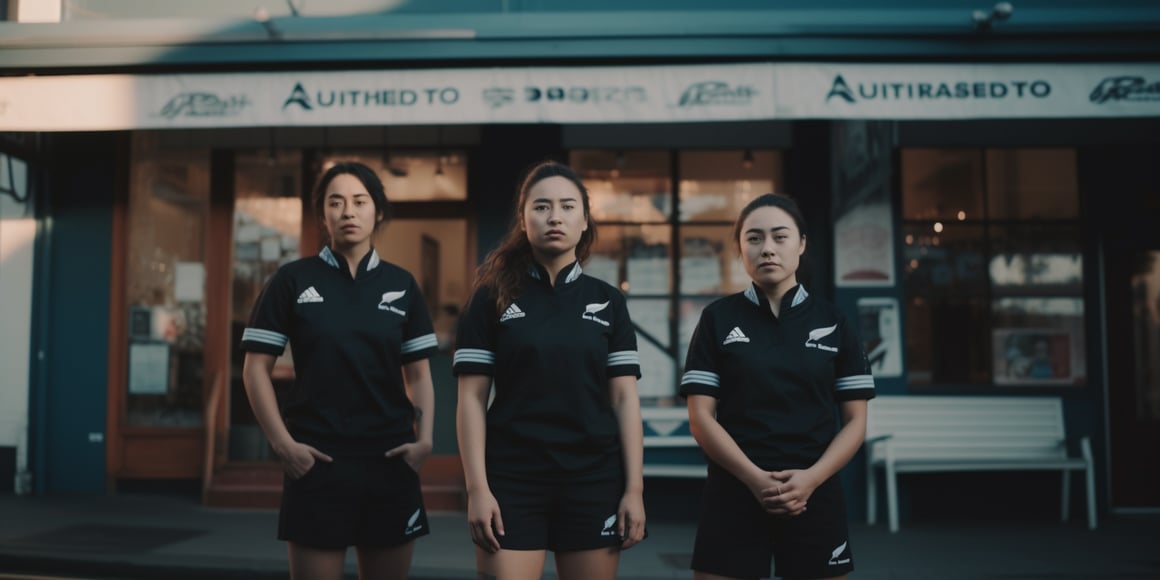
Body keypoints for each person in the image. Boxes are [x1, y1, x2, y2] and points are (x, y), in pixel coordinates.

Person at [240, 161, 438, 580]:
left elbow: (419, 374)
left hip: (390, 461)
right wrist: (283, 445)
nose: (348, 211)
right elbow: (255, 370)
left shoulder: (402, 285)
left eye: (360, 201)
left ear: (377, 212)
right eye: (336, 202)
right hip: (316, 461)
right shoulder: (291, 281)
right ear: (323, 215)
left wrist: (425, 440)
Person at [453, 160, 647, 580]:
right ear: (523, 221)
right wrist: (477, 489)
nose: (554, 216)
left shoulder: (608, 301)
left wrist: (634, 490)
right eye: (541, 207)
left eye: (566, 206)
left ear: (584, 221)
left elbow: (624, 400)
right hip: (512, 479)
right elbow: (470, 398)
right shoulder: (490, 299)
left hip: (593, 479)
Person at [681, 193, 876, 580]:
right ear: (740, 248)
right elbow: (700, 418)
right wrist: (755, 479)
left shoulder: (833, 320)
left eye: (779, 236)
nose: (767, 248)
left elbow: (855, 422)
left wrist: (811, 480)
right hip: (733, 492)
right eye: (754, 238)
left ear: (801, 244)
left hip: (814, 496)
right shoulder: (717, 319)